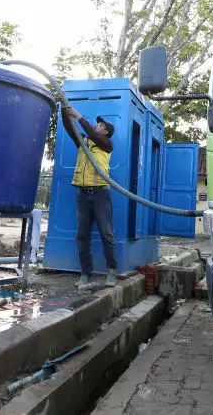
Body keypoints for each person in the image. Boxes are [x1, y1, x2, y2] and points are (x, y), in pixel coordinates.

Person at [61, 105, 118, 287]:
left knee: (106, 233)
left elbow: (94, 135)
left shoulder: (107, 145)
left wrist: (78, 115)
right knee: (82, 235)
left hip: (101, 194)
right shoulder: (84, 142)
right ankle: (85, 273)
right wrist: (64, 108)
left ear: (106, 131)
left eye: (100, 124)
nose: (97, 125)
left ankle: (111, 271)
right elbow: (71, 128)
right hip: (83, 195)